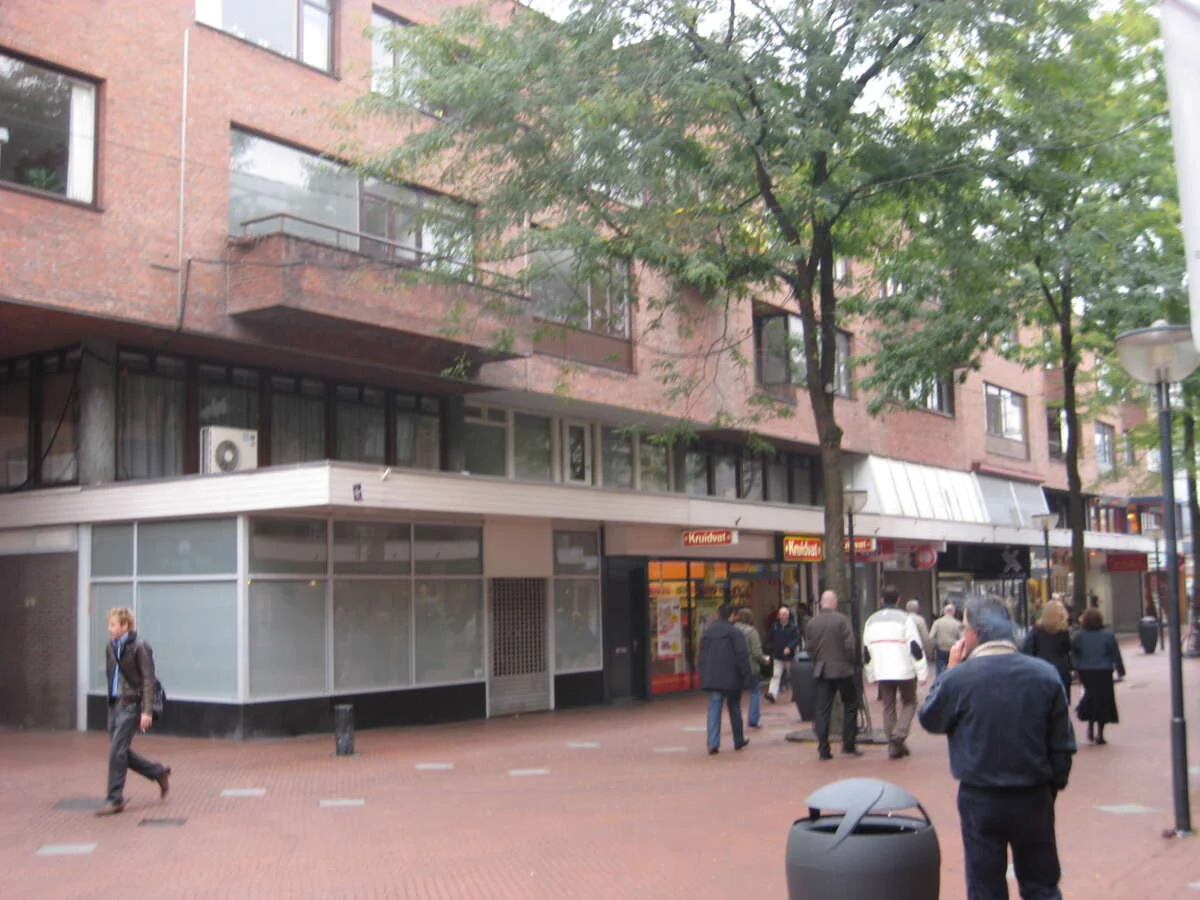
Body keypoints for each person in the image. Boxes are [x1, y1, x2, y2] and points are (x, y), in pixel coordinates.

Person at [919, 596, 1075, 900]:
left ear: (975, 633)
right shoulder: (1044, 674)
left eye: (965, 628)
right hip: (1033, 793)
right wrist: (1052, 786)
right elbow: (1061, 743)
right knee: (1041, 885)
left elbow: (931, 719)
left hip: (981, 795)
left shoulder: (959, 679)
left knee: (985, 887)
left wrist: (949, 671)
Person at [97, 606, 171, 817]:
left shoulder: (140, 647)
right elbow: (111, 676)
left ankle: (114, 799)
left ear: (125, 626)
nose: (109, 628)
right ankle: (158, 772)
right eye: (109, 624)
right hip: (115, 705)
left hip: (131, 705)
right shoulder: (110, 647)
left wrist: (147, 711)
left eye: (113, 625)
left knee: (117, 751)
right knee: (119, 751)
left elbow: (148, 680)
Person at [863, 585, 928, 759]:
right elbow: (915, 647)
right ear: (898, 600)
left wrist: (871, 673)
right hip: (904, 670)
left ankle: (893, 746)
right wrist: (922, 672)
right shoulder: (905, 619)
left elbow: (866, 651)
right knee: (910, 702)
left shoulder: (871, 621)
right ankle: (899, 735)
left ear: (881, 600)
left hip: (883, 670)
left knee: (888, 705)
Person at [804, 590, 861, 760]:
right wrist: (851, 661)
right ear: (834, 602)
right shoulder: (842, 620)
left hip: (822, 669)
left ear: (821, 603)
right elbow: (850, 645)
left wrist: (818, 658)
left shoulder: (812, 623)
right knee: (851, 704)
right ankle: (848, 744)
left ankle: (823, 747)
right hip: (843, 669)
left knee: (822, 709)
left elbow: (809, 647)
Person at [697, 603, 751, 755]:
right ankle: (738, 740)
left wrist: (703, 674)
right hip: (732, 677)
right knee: (734, 708)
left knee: (714, 708)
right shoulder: (735, 632)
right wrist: (746, 675)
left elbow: (702, 656)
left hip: (713, 677)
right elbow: (742, 655)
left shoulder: (708, 632)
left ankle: (713, 742)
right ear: (732, 616)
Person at [1072, 607, 1125, 745]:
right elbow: (1115, 653)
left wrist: (1075, 667)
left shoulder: (1079, 635)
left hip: (1085, 670)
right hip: (1104, 670)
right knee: (1103, 700)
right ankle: (1100, 733)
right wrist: (1120, 670)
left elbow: (1074, 652)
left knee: (1091, 695)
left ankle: (1090, 723)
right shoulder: (1108, 635)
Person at [1023, 599, 1073, 703]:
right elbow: (1068, 648)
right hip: (1060, 668)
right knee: (1061, 699)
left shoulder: (1037, 630)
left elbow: (1029, 648)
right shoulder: (1064, 631)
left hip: (1040, 666)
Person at [733, 608, 766, 730]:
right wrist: (763, 659)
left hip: (735, 667)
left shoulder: (732, 630)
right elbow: (757, 652)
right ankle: (753, 719)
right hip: (751, 666)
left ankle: (736, 720)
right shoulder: (752, 632)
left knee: (734, 695)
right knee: (755, 692)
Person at [765, 605, 799, 703]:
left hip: (789, 657)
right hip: (778, 655)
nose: (783, 616)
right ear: (778, 616)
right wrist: (770, 651)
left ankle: (796, 694)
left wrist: (789, 647)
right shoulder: (774, 626)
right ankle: (772, 694)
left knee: (792, 676)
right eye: (781, 614)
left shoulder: (793, 627)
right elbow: (769, 639)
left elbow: (796, 639)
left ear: (788, 616)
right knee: (776, 675)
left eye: (785, 614)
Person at [929, 603, 963, 677]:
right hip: (954, 649)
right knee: (953, 670)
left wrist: (934, 645)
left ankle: (940, 682)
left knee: (940, 670)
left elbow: (931, 637)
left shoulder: (937, 622)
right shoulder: (958, 624)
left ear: (944, 612)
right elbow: (962, 638)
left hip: (940, 649)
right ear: (953, 612)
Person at [906, 599, 934, 666]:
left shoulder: (903, 618)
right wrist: (929, 652)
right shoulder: (920, 620)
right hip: (918, 651)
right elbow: (925, 637)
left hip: (904, 649)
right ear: (917, 608)